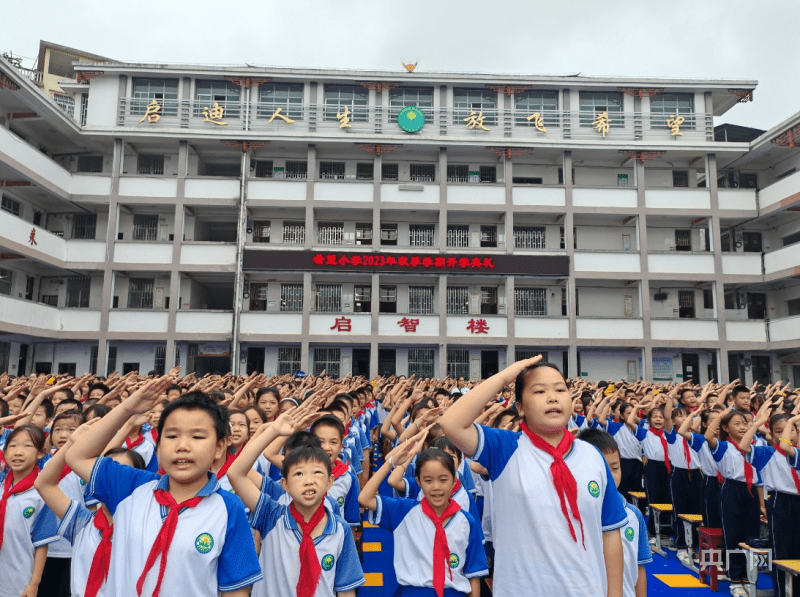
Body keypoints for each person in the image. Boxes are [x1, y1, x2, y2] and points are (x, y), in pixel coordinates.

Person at [439, 357, 626, 597]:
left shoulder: (592, 456)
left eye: (560, 389)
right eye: (539, 391)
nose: (553, 397)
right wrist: (504, 377)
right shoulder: (505, 448)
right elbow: (451, 423)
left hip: (586, 590)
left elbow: (610, 533)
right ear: (520, 407)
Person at [64, 378, 263, 597]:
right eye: (171, 436)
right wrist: (127, 410)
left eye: (197, 436)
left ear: (219, 447)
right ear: (158, 446)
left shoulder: (228, 507)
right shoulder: (131, 488)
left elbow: (236, 590)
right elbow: (76, 456)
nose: (182, 446)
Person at [227, 410, 365, 597]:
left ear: (330, 482)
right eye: (299, 474)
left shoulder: (339, 529)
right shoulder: (272, 515)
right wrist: (273, 430)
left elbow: (346, 590)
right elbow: (236, 473)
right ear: (285, 484)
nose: (309, 481)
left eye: (317, 473)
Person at [359, 434, 488, 597]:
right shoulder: (404, 511)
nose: (436, 487)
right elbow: (365, 498)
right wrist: (391, 462)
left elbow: (473, 574)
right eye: (428, 480)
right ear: (418, 482)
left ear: (454, 480)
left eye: (443, 479)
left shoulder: (466, 522)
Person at [35, 417, 146, 597]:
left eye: (122, 473)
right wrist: (71, 444)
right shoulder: (83, 523)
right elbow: (44, 484)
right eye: (104, 472)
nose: (112, 479)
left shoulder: (147, 527)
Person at [577, 428, 651, 597]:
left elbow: (639, 567)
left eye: (615, 467)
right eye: (599, 468)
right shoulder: (573, 514)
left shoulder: (633, 515)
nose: (608, 476)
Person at [738, 402, 800, 597]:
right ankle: (782, 591)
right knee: (782, 549)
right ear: (771, 434)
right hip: (781, 502)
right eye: (779, 431)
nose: (785, 435)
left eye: (789, 430)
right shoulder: (767, 453)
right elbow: (743, 445)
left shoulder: (797, 452)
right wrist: (756, 425)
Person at [704, 405, 761, 597]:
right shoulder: (723, 446)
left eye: (745, 423)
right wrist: (720, 416)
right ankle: (735, 578)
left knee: (751, 534)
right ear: (726, 428)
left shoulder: (754, 447)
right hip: (732, 489)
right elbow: (708, 437)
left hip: (751, 490)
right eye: (736, 424)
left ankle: (749, 576)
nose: (743, 427)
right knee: (733, 535)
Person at [0, 425, 59, 597]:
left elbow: (41, 542)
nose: (18, 452)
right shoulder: (2, 487)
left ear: (41, 453)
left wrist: (34, 583)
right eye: (13, 446)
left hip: (17, 577)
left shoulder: (42, 493)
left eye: (27, 446)